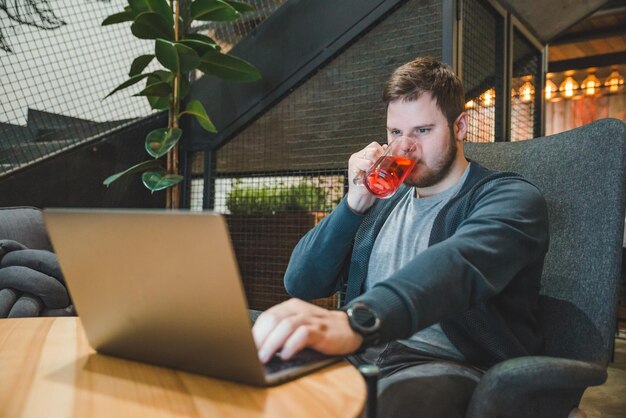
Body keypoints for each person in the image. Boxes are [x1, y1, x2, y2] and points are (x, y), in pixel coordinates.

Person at [251, 56, 549, 418]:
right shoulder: (381, 202)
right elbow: (301, 281)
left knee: (389, 407)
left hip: (444, 365)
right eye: (396, 133)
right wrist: (354, 202)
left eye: (422, 131)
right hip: (358, 355)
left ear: (460, 126)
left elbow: (458, 264)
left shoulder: (509, 198)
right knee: (248, 338)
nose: (405, 147)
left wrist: (357, 321)